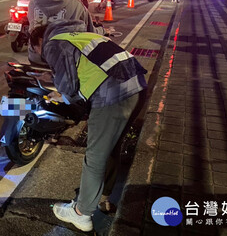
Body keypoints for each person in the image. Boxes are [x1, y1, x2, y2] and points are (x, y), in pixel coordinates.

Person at [29, 20, 147, 232]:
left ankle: (81, 213)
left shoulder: (52, 43)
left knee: (94, 156)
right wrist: (55, 76)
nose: (41, 55)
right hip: (136, 85)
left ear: (40, 40)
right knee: (110, 147)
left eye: (37, 50)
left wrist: (59, 91)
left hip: (113, 94)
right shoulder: (78, 35)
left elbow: (69, 86)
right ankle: (104, 195)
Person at [27, 0, 103, 64]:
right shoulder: (76, 5)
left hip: (36, 58)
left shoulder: (32, 4)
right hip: (65, 62)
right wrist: (102, 30)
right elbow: (90, 32)